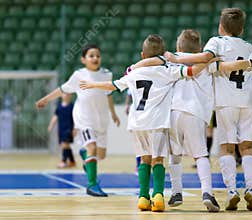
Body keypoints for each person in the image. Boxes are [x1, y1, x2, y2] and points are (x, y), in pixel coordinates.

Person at [79, 34, 221, 212]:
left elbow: (113, 86)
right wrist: (208, 61)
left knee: (143, 159)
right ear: (162, 55)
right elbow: (191, 71)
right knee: (158, 160)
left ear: (142, 55)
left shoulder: (134, 72)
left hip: (137, 122)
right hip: (157, 122)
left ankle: (143, 197)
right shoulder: (167, 70)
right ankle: (158, 196)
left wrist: (92, 85)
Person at [165, 8, 252, 211]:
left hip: (227, 101)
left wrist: (176, 59)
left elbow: (204, 58)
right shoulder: (249, 46)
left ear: (220, 27)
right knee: (247, 147)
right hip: (249, 100)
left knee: (226, 147)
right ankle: (251, 189)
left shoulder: (216, 42)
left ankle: (232, 191)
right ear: (241, 29)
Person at [36, 44, 120, 197]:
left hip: (101, 119)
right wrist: (46, 99)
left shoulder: (107, 74)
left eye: (98, 56)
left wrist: (114, 114)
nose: (95, 58)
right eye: (91, 56)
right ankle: (92, 185)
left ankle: (83, 152)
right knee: (92, 149)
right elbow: (62, 90)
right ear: (83, 59)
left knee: (100, 155)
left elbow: (108, 95)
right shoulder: (79, 75)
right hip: (84, 119)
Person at [47, 93, 75, 168]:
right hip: (61, 129)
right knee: (66, 146)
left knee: (64, 144)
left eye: (68, 94)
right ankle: (72, 161)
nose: (66, 95)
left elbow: (76, 118)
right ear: (61, 96)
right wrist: (51, 125)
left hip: (69, 129)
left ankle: (64, 161)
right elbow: (55, 117)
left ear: (70, 96)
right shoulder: (59, 107)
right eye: (65, 94)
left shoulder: (72, 107)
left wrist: (75, 129)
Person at [124, 89, 141, 175]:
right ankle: (138, 165)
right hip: (136, 113)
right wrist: (126, 105)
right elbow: (129, 93)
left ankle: (143, 165)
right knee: (139, 142)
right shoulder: (133, 78)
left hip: (148, 113)